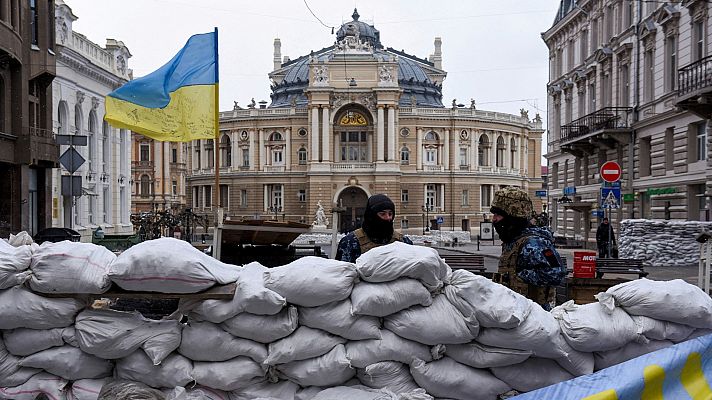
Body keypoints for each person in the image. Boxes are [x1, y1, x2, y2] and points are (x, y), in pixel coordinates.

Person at [490, 187, 566, 311]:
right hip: (515, 310)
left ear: (512, 216)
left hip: (534, 313)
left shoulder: (535, 243)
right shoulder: (514, 241)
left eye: (498, 214)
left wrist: (521, 277)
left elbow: (556, 272)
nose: (494, 219)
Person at [336, 194, 413, 263]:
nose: (388, 218)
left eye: (390, 214)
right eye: (382, 214)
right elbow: (341, 274)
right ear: (371, 216)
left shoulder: (403, 242)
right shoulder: (350, 242)